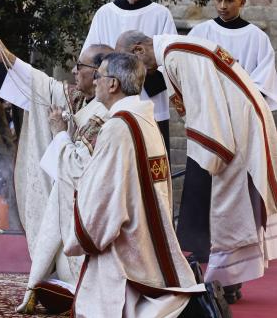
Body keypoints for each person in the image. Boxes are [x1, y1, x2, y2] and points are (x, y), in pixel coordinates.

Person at [63, 52, 231, 318]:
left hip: (129, 237)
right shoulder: (143, 118)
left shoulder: (117, 127)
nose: (96, 82)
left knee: (103, 314)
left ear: (113, 83)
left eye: (99, 77)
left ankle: (189, 307)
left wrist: (86, 226)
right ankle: (189, 302)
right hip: (150, 229)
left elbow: (103, 194)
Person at [117, 30, 277, 303]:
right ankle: (228, 280)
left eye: (132, 66)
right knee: (229, 201)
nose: (136, 75)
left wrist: (208, 154)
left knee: (225, 201)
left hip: (233, 128)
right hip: (239, 120)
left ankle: (223, 282)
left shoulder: (178, 54)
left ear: (139, 50)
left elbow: (207, 108)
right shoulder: (176, 49)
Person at [0, 35, 112, 295]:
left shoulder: (106, 114)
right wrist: (5, 55)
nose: (73, 71)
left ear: (98, 75)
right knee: (61, 264)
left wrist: (60, 131)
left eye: (79, 66)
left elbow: (79, 170)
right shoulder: (81, 99)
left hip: (93, 213)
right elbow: (43, 86)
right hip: (72, 210)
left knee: (71, 269)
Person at [82, 0, 177, 151]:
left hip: (150, 106)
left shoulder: (161, 15)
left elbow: (171, 61)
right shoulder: (105, 14)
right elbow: (90, 58)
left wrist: (139, 82)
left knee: (152, 166)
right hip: (110, 105)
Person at [188, 0, 277, 110]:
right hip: (209, 108)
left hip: (244, 109)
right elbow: (188, 68)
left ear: (242, 2)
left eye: (229, 0)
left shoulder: (257, 37)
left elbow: (264, 79)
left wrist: (240, 103)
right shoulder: (199, 32)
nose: (223, 6)